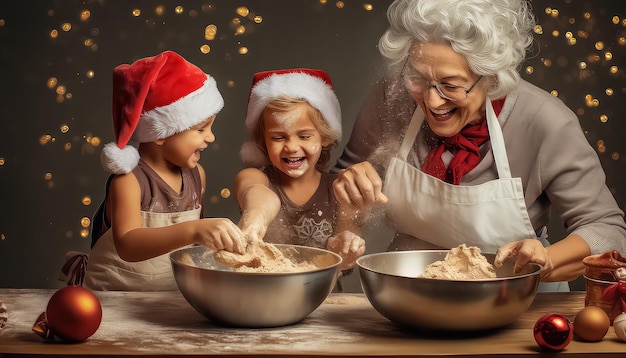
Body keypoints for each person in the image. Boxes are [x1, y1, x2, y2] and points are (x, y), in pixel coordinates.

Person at [332, 0, 626, 290]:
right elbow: (333, 189)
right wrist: (347, 195)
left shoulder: (544, 121)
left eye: (451, 84)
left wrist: (546, 260)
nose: (432, 101)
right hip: (410, 289)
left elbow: (607, 230)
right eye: (418, 78)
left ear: (491, 75)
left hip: (518, 300)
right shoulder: (392, 98)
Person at [81, 51, 247, 291]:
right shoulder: (129, 181)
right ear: (160, 134)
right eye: (201, 129)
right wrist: (194, 230)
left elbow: (187, 247)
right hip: (115, 300)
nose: (211, 137)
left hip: (167, 299)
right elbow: (128, 245)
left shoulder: (196, 175)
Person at [234, 69, 366, 290]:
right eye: (278, 137)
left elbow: (343, 253)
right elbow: (254, 192)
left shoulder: (340, 189)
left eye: (304, 136)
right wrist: (255, 216)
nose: (292, 147)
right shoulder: (256, 178)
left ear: (325, 136)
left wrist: (344, 248)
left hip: (324, 302)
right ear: (262, 142)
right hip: (263, 297)